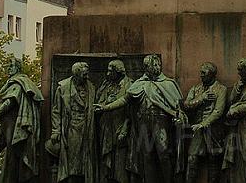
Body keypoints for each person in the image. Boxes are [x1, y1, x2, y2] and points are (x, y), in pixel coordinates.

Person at [98, 54, 185, 182]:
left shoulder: (168, 84)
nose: (157, 67)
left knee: (164, 155)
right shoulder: (140, 83)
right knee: (147, 156)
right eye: (153, 65)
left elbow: (177, 106)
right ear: (146, 67)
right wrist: (106, 107)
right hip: (144, 123)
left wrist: (178, 117)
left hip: (161, 123)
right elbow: (124, 99)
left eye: (158, 65)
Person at [0, 57, 43, 183]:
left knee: (11, 160)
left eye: (11, 66)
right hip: (4, 126)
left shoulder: (19, 82)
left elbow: (10, 102)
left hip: (15, 126)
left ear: (18, 67)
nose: (9, 68)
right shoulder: (10, 83)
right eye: (8, 66)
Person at [49, 61, 98, 183]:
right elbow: (56, 111)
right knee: (72, 162)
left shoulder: (91, 87)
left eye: (87, 74)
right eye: (84, 74)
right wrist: (56, 131)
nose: (87, 77)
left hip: (87, 128)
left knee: (86, 162)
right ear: (76, 74)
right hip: (71, 129)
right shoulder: (63, 87)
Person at [183, 61, 228, 183]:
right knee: (192, 159)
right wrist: (201, 98)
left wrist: (203, 124)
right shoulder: (196, 89)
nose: (201, 75)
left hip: (214, 131)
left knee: (213, 162)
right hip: (197, 132)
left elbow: (218, 111)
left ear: (212, 74)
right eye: (200, 72)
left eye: (204, 73)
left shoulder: (221, 89)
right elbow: (186, 105)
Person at [94, 60, 132, 183]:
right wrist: (105, 102)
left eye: (111, 71)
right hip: (106, 126)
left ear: (118, 72)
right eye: (108, 70)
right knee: (106, 163)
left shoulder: (129, 85)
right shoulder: (106, 85)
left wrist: (125, 128)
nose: (108, 73)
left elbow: (131, 110)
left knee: (120, 160)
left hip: (120, 126)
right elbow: (98, 103)